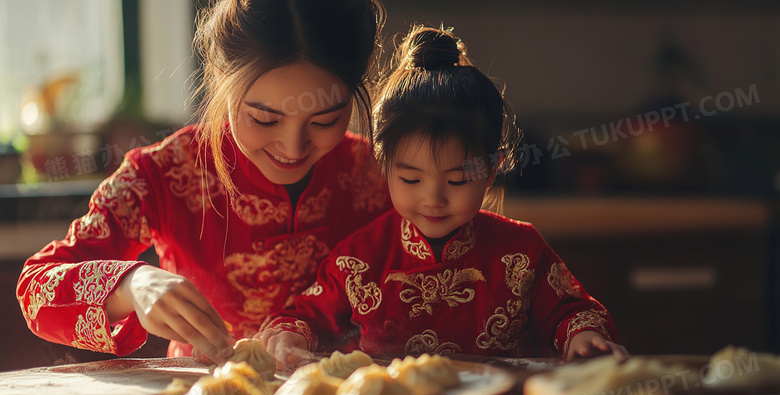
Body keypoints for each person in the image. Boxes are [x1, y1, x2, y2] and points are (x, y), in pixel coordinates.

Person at [16, 0, 391, 364]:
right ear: (222, 81)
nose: (292, 148)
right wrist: (131, 284)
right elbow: (36, 287)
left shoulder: (384, 175)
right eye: (264, 120)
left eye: (324, 121)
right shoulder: (163, 173)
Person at [259, 25, 629, 367]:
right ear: (383, 167)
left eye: (456, 181)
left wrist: (584, 335)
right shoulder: (358, 258)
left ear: (492, 170)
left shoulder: (522, 251)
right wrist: (291, 334)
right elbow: (304, 316)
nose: (432, 199)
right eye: (410, 179)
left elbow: (571, 311)